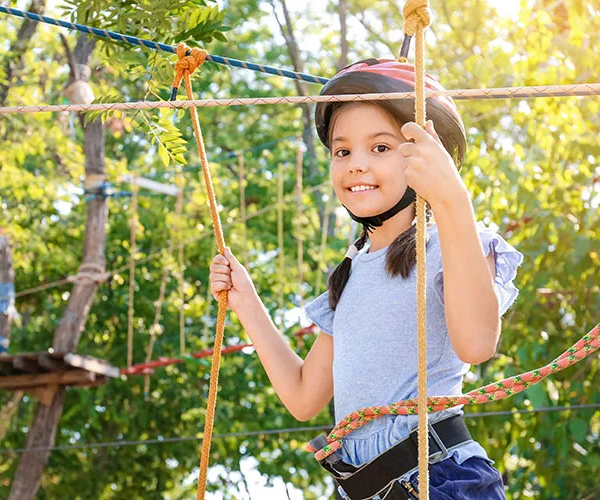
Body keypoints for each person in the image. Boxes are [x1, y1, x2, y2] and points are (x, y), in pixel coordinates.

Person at [208, 59, 523, 499]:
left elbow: (476, 344)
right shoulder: (350, 274)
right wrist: (246, 302)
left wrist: (452, 199)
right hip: (361, 489)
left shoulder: (454, 242)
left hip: (436, 479)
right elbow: (303, 397)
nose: (356, 164)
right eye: (343, 151)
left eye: (380, 148)